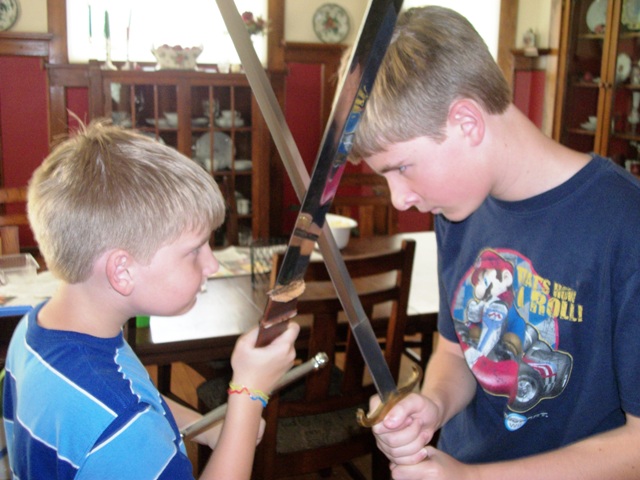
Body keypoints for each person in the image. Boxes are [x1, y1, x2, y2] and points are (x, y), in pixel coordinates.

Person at [351, 6, 640, 480]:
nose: (400, 198)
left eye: (401, 167)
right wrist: (434, 405)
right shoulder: (458, 210)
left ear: (467, 122)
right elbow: (455, 351)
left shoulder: (625, 225)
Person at [2, 120, 299, 479]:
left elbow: (137, 393)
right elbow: (126, 415)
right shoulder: (121, 425)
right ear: (122, 271)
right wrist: (250, 394)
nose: (212, 264)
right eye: (194, 250)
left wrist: (207, 426)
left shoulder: (36, 328)